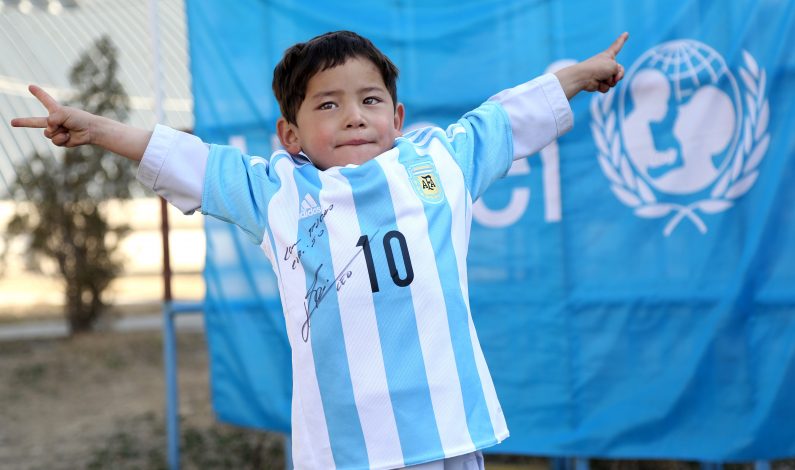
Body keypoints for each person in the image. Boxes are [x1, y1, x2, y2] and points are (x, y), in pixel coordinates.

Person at [12, 30, 628, 470]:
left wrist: (578, 75)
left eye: (370, 100)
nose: (354, 116)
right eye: (328, 104)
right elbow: (189, 160)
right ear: (291, 134)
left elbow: (504, 119)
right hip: (346, 448)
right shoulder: (276, 192)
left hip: (446, 431)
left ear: (397, 116)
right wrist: (96, 129)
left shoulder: (438, 161)